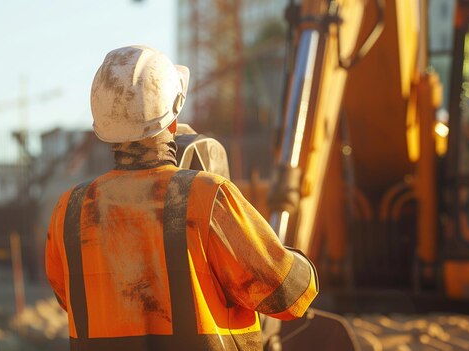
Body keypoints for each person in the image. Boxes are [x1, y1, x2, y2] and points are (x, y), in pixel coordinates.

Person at [45, 45, 318, 350]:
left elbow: (69, 299)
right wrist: (298, 264)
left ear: (104, 129)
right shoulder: (207, 196)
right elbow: (286, 296)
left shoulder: (68, 209)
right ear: (173, 121)